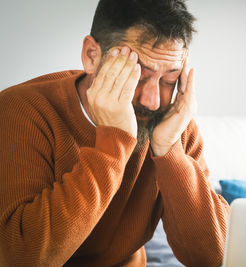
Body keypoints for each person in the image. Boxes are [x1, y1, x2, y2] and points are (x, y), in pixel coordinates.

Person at [0, 0, 230, 266]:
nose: (152, 101)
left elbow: (213, 257)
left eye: (169, 80)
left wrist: (170, 151)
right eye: (139, 75)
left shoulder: (173, 121)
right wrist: (112, 144)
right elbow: (20, 258)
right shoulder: (22, 111)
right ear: (91, 56)